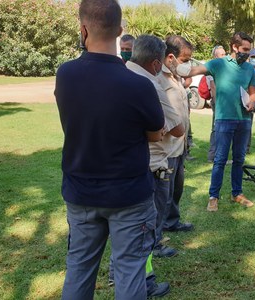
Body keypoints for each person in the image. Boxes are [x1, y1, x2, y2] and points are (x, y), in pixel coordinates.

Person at [55, 1, 168, 298]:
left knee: (79, 268)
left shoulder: (65, 75)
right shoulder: (138, 85)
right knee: (130, 270)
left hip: (81, 192)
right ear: (120, 32)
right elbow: (156, 134)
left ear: (83, 29)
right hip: (129, 195)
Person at [177, 32, 255, 212]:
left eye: (249, 50)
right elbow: (191, 71)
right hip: (224, 120)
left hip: (244, 120)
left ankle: (237, 193)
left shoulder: (250, 68)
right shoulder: (218, 64)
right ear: (235, 47)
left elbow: (253, 91)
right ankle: (213, 196)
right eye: (245, 49)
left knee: (239, 159)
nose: (247, 54)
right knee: (219, 159)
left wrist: (252, 100)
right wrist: (175, 63)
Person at [126, 35, 185, 258]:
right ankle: (152, 251)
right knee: (152, 213)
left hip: (126, 164)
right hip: (153, 163)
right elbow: (174, 129)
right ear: (156, 63)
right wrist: (157, 131)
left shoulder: (121, 74)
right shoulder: (150, 84)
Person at [159, 35, 194, 233]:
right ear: (170, 57)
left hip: (180, 145)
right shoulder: (158, 78)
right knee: (165, 191)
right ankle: (160, 227)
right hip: (167, 146)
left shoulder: (176, 77)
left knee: (177, 188)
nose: (187, 65)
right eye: (185, 60)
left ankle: (172, 221)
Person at [207, 45, 229, 163]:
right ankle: (212, 156)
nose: (224, 56)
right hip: (218, 103)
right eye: (222, 55)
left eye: (225, 54)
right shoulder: (212, 68)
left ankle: (219, 155)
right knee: (216, 128)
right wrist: (218, 103)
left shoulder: (223, 68)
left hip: (223, 102)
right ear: (216, 56)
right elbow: (213, 87)